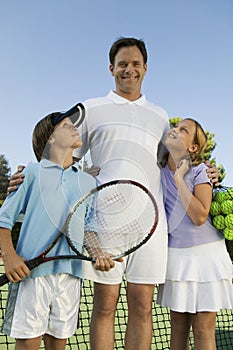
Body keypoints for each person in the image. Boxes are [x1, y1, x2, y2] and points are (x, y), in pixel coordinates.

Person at [7, 37, 219, 350]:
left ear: (145, 68)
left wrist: (206, 171)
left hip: (152, 227)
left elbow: (176, 160)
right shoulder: (91, 108)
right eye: (122, 64)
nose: (128, 69)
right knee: (105, 307)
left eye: (135, 64)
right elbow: (61, 155)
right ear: (111, 68)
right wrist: (28, 177)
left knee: (142, 307)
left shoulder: (161, 115)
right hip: (103, 225)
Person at [0, 105, 115, 350]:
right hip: (32, 276)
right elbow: (3, 220)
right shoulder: (31, 173)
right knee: (28, 344)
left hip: (70, 276)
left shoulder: (87, 182)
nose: (74, 127)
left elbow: (88, 228)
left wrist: (97, 253)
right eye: (66, 125)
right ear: (51, 139)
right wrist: (9, 257)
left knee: (58, 343)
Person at [157, 118, 233, 350]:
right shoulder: (156, 171)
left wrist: (180, 179)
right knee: (178, 327)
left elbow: (200, 217)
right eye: (175, 127)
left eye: (183, 130)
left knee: (202, 328)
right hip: (176, 257)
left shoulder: (201, 171)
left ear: (193, 148)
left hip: (207, 257)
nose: (175, 130)